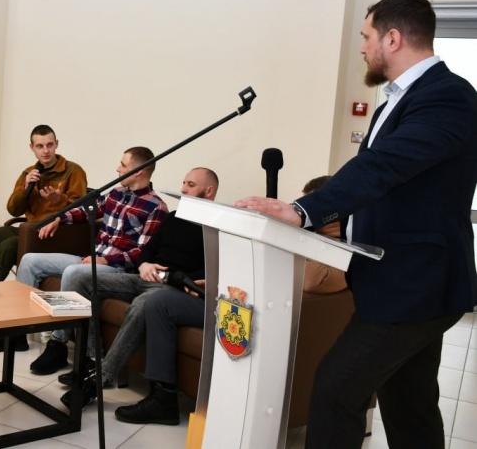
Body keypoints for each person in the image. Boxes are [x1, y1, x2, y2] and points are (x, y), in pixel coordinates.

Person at [236, 0, 477, 448]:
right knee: (409, 405)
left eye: (367, 37)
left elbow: (386, 166)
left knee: (336, 390)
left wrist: (304, 210)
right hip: (400, 281)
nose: (362, 48)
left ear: (392, 38)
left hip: (416, 283)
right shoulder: (396, 101)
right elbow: (379, 179)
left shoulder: (448, 95)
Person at [110, 174, 347, 426]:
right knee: (161, 302)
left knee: (157, 301)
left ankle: (161, 398)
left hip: (257, 316)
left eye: (310, 207)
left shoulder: (338, 246)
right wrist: (216, 283)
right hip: (232, 300)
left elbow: (312, 280)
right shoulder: (305, 237)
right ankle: (162, 396)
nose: (302, 214)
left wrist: (296, 236)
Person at [57, 168, 218, 415]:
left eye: (191, 185)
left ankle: (98, 379)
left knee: (143, 304)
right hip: (143, 278)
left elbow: (209, 272)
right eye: (183, 183)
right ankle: (90, 358)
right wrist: (145, 265)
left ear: (209, 191)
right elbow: (146, 252)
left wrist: (173, 278)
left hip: (170, 288)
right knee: (82, 280)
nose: (183, 189)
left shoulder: (215, 229)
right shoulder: (173, 217)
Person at [14, 146, 169, 374]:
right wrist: (60, 218)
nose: (118, 168)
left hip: (118, 269)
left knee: (73, 273)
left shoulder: (156, 207)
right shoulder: (116, 193)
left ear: (138, 171)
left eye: (123, 165)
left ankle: (57, 344)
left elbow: (143, 253)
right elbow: (86, 211)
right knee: (30, 260)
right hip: (91, 259)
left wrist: (107, 261)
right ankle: (17, 333)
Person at [0, 124, 87, 284]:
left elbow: (82, 210)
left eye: (49, 145)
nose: (45, 151)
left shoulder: (73, 171)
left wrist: (59, 200)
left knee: (8, 245)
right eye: (40, 146)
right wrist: (25, 189)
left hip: (55, 233)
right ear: (32, 148)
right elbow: (13, 210)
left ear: (56, 144)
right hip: (29, 229)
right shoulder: (29, 172)